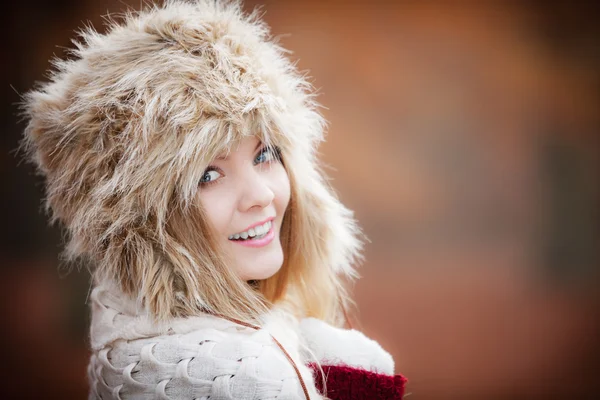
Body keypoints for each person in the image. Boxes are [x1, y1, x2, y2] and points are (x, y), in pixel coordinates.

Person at [20, 0, 407, 398]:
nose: (260, 194)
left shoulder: (140, 339)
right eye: (208, 174)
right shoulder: (244, 379)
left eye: (264, 154)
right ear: (143, 223)